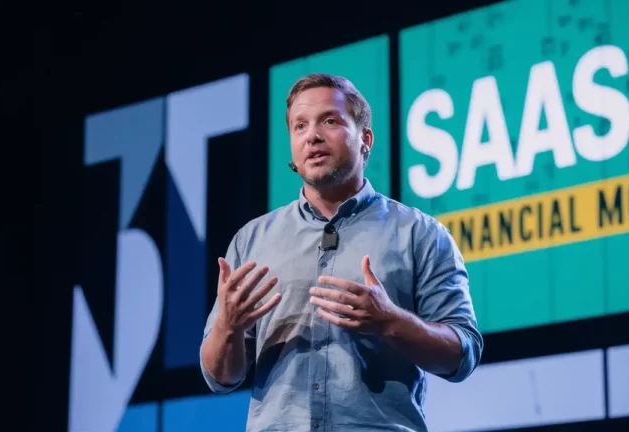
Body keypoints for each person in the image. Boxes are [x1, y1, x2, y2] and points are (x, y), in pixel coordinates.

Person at [199, 73, 483, 431]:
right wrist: (228, 327)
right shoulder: (252, 240)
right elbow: (220, 378)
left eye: (329, 121)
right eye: (299, 126)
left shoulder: (421, 234)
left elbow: (463, 354)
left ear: (365, 140)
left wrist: (389, 321)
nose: (312, 135)